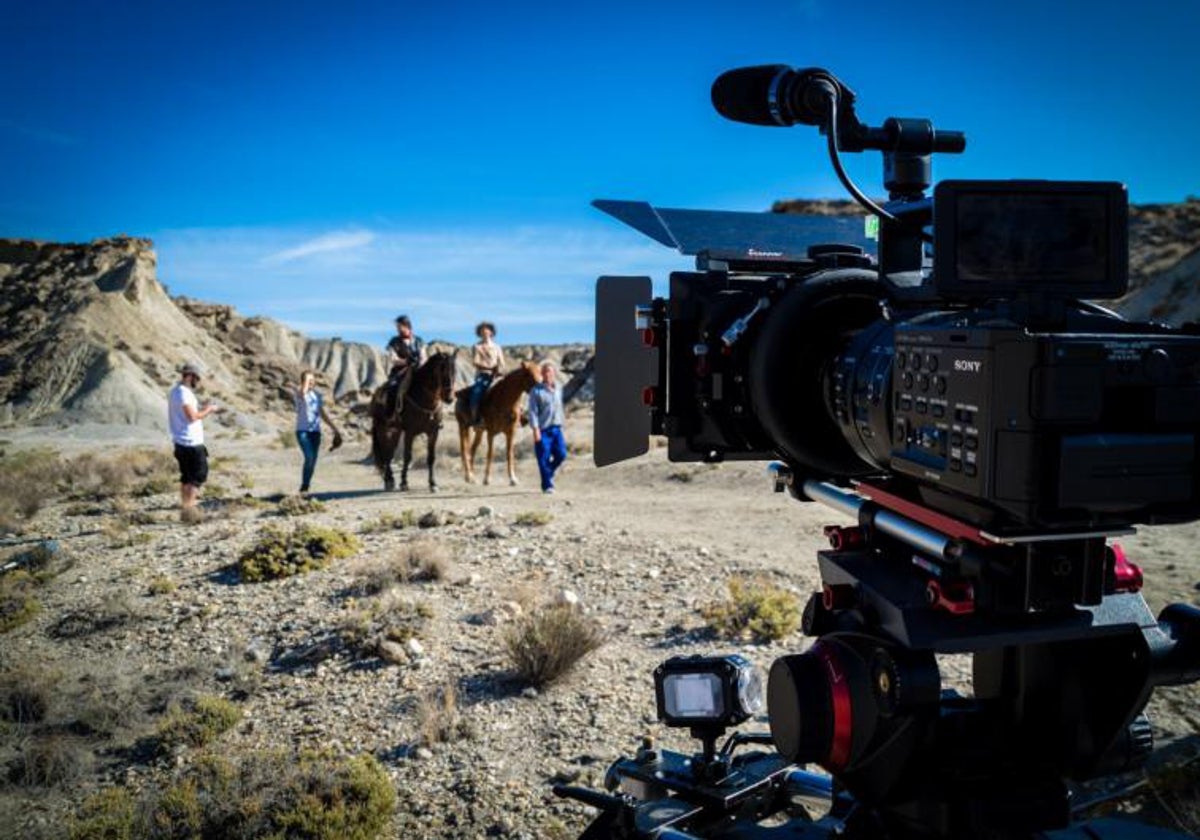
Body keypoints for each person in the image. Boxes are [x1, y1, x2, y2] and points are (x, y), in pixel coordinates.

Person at [167, 361, 221, 519]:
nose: (197, 381)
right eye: (196, 378)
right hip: (190, 442)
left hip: (181, 441)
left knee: (187, 476)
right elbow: (192, 417)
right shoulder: (183, 393)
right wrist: (209, 409)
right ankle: (189, 509)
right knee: (198, 475)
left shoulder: (176, 391)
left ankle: (185, 507)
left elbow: (187, 413)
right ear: (189, 376)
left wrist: (201, 408)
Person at [293, 370, 343, 494]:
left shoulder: (316, 396)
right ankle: (304, 486)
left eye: (313, 380)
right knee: (309, 457)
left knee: (313, 460)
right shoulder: (299, 393)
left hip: (315, 433)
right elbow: (303, 392)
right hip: (303, 432)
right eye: (308, 380)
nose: (312, 382)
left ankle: (306, 485)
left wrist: (335, 429)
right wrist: (306, 381)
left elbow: (323, 414)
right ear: (303, 382)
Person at [527, 360, 567, 494]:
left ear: (554, 373)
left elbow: (559, 407)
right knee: (543, 457)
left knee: (561, 454)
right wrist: (536, 430)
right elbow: (532, 412)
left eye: (549, 371)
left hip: (557, 428)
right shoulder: (536, 391)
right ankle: (547, 485)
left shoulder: (559, 388)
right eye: (544, 372)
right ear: (541, 374)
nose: (547, 374)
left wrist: (563, 423)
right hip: (543, 429)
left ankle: (548, 473)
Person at [385, 314, 426, 418]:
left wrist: (419, 362)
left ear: (407, 326)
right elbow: (393, 359)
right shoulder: (393, 342)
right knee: (392, 387)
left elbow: (424, 357)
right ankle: (390, 416)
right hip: (400, 371)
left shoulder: (419, 341)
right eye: (397, 327)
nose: (397, 329)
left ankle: (434, 416)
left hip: (417, 370)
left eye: (399, 327)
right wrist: (406, 361)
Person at [468, 321, 505, 425]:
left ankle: (520, 414)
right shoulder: (477, 347)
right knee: (476, 393)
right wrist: (489, 368)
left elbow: (502, 362)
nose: (484, 331)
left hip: (497, 375)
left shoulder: (497, 347)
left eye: (487, 329)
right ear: (479, 333)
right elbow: (475, 362)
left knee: (510, 388)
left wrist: (499, 370)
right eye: (482, 330)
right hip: (483, 375)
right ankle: (475, 418)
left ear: (491, 332)